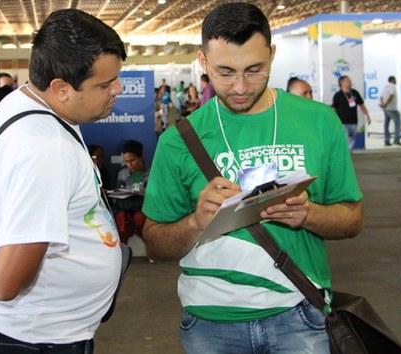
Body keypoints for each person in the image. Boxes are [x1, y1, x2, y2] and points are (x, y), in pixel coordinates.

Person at [141, 3, 365, 353]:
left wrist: (309, 214)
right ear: (203, 61)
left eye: (255, 70)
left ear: (272, 55)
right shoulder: (178, 141)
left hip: (301, 314)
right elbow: (154, 243)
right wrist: (196, 222)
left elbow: (352, 218)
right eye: (225, 72)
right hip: (210, 324)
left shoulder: (320, 122)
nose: (241, 86)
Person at [0, 9, 126, 354]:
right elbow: (4, 283)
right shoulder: (44, 149)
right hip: (30, 340)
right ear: (60, 87)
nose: (117, 89)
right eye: (105, 84)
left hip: (37, 332)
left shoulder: (23, 101)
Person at [114, 140, 149, 244]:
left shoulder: (151, 173)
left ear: (140, 157)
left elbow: (155, 196)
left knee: (140, 218)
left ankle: (150, 247)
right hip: (126, 207)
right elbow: (116, 194)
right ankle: (123, 250)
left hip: (144, 208)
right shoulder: (121, 174)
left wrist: (141, 194)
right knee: (121, 218)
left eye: (132, 160)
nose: (129, 164)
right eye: (126, 162)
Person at [332, 75, 371, 151]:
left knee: (352, 139)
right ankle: (346, 155)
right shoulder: (338, 95)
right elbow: (334, 108)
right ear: (341, 83)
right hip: (342, 121)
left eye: (349, 81)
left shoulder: (355, 93)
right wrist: (333, 120)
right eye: (347, 81)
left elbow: (362, 105)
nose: (349, 82)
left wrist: (367, 116)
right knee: (345, 138)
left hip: (353, 121)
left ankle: (347, 153)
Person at [380, 76, 401, 146]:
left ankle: (386, 140)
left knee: (386, 124)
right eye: (395, 80)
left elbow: (381, 97)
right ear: (392, 80)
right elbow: (391, 95)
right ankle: (396, 140)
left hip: (386, 109)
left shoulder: (385, 87)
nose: (396, 81)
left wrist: (383, 105)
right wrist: (386, 104)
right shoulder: (392, 86)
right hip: (392, 108)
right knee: (398, 123)